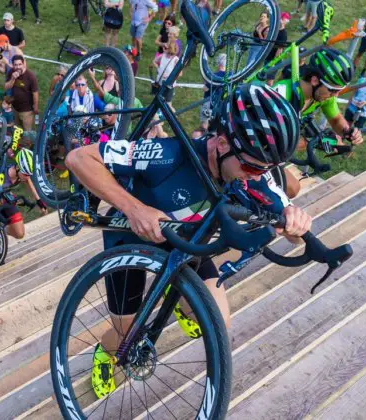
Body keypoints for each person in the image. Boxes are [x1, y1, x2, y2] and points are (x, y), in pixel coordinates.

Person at [65, 83, 311, 398]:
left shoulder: (254, 176)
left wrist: (296, 224)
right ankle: (105, 350)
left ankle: (179, 299)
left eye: (267, 168)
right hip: (133, 236)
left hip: (184, 242)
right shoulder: (166, 155)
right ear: (222, 143)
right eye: (251, 165)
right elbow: (78, 158)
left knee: (216, 323)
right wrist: (134, 208)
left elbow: (292, 235)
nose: (257, 175)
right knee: (130, 337)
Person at [272, 47, 363, 198]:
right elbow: (274, 144)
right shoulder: (282, 94)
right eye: (333, 90)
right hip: (258, 150)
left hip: (276, 148)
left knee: (292, 189)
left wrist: (348, 132)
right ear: (314, 80)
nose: (336, 95)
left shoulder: (322, 94)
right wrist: (312, 142)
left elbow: (335, 120)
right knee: (292, 189)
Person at [0, 148, 48, 245]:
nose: (27, 177)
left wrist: (39, 201)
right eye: (26, 174)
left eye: (29, 174)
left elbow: (28, 179)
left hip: (3, 199)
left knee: (20, 234)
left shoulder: (21, 173)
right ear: (17, 168)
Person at [3, 55, 38, 131]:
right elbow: (6, 87)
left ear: (23, 64)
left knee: (27, 131)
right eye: (15, 65)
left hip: (27, 110)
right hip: (15, 107)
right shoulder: (12, 72)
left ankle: (28, 142)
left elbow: (35, 93)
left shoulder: (30, 76)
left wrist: (35, 106)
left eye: (20, 64)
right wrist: (12, 79)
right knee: (17, 128)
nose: (18, 67)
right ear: (13, 65)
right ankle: (20, 141)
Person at [200, 53, 226, 131]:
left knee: (204, 126)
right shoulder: (231, 75)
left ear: (218, 63)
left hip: (209, 104)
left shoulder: (214, 76)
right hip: (221, 105)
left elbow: (205, 89)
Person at [264, 12, 289, 86]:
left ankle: (268, 94)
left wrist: (273, 63)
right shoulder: (274, 30)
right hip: (268, 57)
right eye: (279, 18)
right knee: (265, 76)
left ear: (285, 21)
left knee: (269, 80)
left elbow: (279, 50)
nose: (280, 20)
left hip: (274, 60)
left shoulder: (283, 34)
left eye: (282, 19)